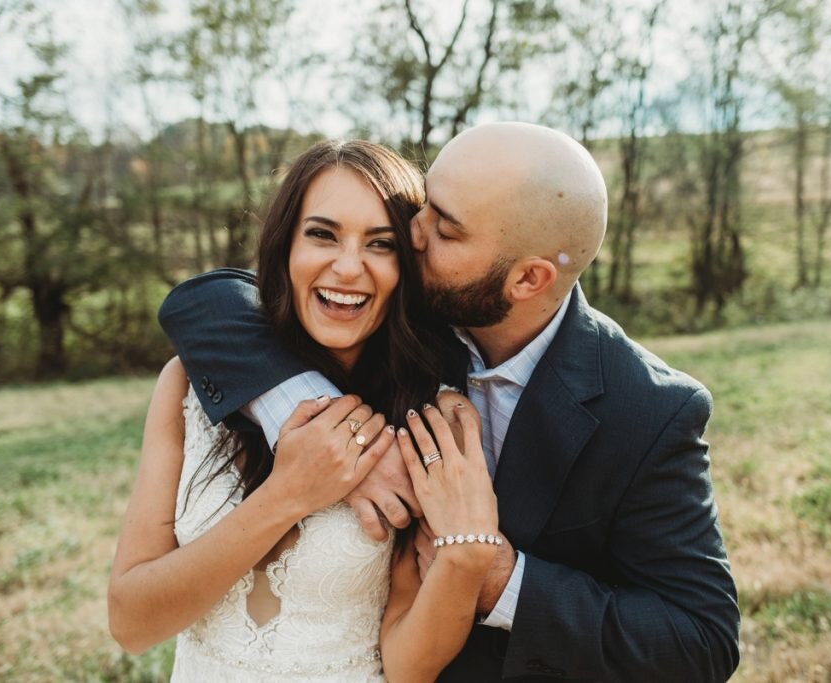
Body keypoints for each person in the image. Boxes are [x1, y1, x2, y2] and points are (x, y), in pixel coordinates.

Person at [160, 123, 741, 681]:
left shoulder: (650, 411)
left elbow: (701, 643)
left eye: (446, 229)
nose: (413, 232)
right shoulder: (407, 318)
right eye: (424, 207)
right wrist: (321, 424)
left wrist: (499, 579)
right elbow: (210, 301)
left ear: (527, 280)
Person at [108, 139, 506, 682]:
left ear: (406, 266)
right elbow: (131, 623)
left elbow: (408, 667)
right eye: (321, 234)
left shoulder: (428, 416)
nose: (347, 267)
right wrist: (290, 492)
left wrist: (465, 560)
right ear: (285, 247)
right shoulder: (186, 385)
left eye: (380, 244)